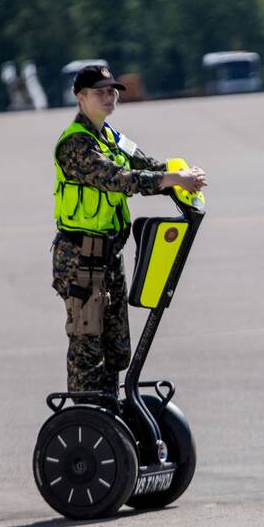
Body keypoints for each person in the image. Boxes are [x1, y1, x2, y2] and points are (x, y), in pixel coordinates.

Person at [51, 65, 206, 404]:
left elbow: (144, 164)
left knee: (117, 347)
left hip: (108, 257)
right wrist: (169, 181)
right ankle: (87, 419)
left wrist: (180, 175)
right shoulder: (75, 145)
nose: (110, 96)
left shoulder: (111, 136)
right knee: (87, 348)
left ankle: (108, 409)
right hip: (80, 261)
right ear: (80, 97)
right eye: (100, 91)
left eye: (112, 90)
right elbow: (117, 178)